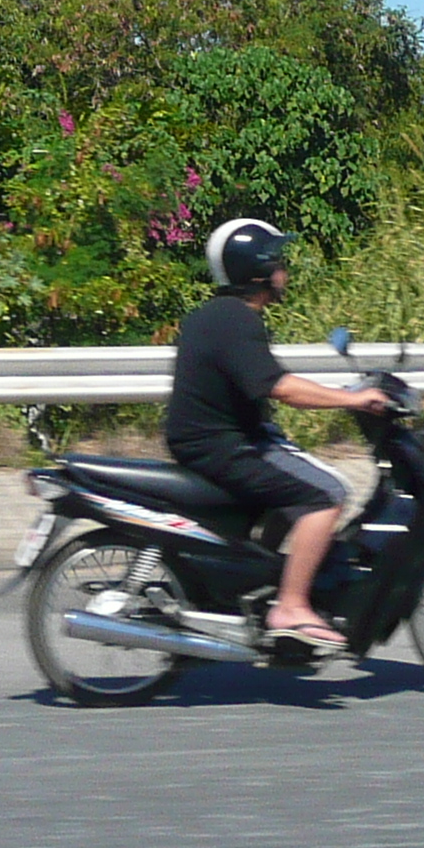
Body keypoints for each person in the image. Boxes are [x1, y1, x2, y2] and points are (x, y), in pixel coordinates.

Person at [163, 217, 379, 653]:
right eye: (278, 261)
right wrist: (351, 400)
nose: (284, 270)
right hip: (223, 446)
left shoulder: (218, 315)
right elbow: (278, 387)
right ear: (256, 270)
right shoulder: (237, 320)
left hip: (216, 439)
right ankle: (291, 606)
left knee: (296, 478)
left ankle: (260, 578)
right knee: (328, 494)